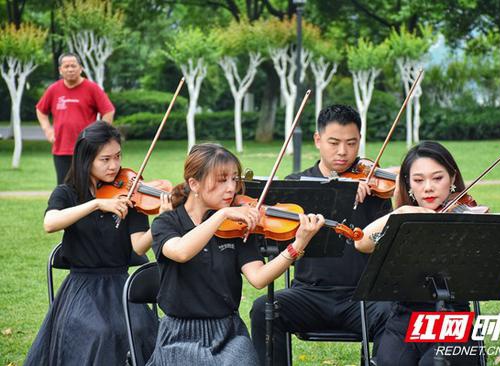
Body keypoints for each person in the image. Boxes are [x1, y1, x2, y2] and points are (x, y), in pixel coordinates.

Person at [145, 143, 325, 366]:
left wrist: (297, 245)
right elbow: (181, 252)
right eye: (222, 180)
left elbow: (258, 278)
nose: (231, 188)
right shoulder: (167, 222)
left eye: (234, 179)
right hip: (179, 335)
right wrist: (221, 215)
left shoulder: (236, 226)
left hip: (228, 332)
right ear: (194, 184)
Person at [250, 104, 393, 365]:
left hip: (360, 297)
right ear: (318, 140)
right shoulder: (296, 185)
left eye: (351, 143)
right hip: (308, 294)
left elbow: (387, 246)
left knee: (394, 313)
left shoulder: (375, 192)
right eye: (334, 142)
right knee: (264, 309)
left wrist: (364, 196)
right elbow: (272, 239)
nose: (343, 151)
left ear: (360, 140)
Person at [24, 121, 171, 366]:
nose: (114, 165)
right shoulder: (67, 193)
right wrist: (96, 204)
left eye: (117, 156)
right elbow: (50, 223)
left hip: (120, 285)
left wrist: (161, 222)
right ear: (86, 159)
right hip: (82, 288)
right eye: (105, 159)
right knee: (100, 333)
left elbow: (138, 247)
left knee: (139, 330)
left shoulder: (130, 193)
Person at [355, 141, 480, 366]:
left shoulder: (468, 214)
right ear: (409, 184)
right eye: (418, 180)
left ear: (452, 178)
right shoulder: (403, 220)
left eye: (437, 178)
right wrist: (401, 212)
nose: (428, 187)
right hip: (404, 319)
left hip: (453, 319)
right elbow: (362, 242)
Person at [36, 52, 115, 185]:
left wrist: (101, 135)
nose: (70, 69)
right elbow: (40, 110)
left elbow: (108, 111)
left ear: (81, 68)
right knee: (64, 187)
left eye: (73, 65)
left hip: (86, 148)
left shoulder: (92, 88)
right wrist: (47, 130)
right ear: (60, 70)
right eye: (66, 66)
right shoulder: (53, 89)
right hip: (61, 147)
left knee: (89, 185)